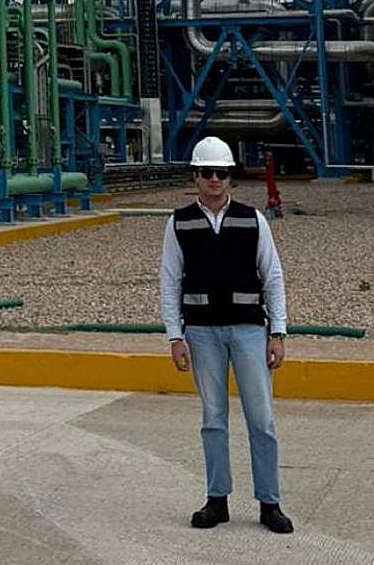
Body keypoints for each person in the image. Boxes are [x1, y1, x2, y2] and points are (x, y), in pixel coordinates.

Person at [159, 136, 293, 534]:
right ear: (195, 177)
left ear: (229, 176)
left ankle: (270, 502)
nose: (214, 179)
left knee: (261, 419)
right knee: (213, 419)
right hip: (200, 333)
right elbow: (169, 282)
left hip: (250, 330)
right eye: (206, 173)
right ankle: (217, 500)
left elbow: (272, 276)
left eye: (221, 172)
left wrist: (278, 331)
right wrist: (174, 336)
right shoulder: (178, 223)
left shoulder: (254, 220)